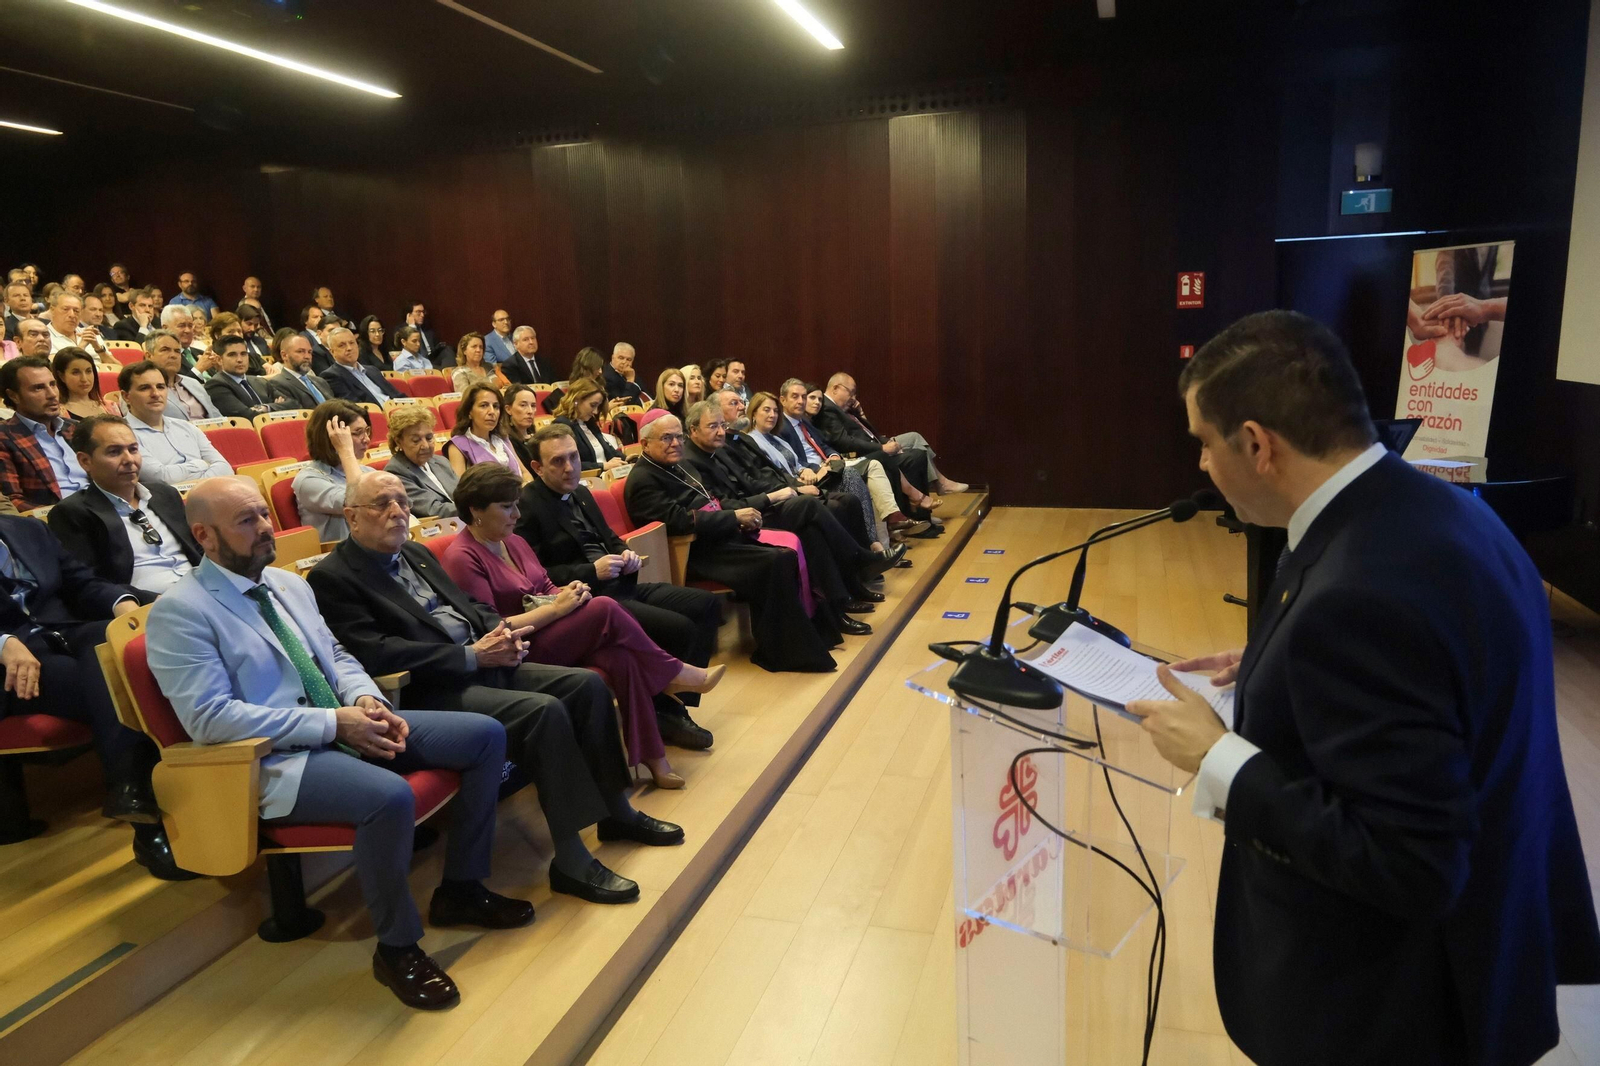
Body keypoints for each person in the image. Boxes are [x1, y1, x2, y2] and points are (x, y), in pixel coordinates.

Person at [1122, 311, 1600, 1066]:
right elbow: (1440, 676)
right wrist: (1277, 661)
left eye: (1204, 445)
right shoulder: (1438, 512)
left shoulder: (1360, 596)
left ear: (1257, 444)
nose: (1203, 468)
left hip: (1396, 1007)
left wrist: (1217, 758)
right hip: (1492, 937)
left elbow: (1409, 862)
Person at [148, 477, 529, 1009]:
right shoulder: (180, 611)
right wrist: (335, 724)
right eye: (247, 520)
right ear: (204, 536)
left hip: (343, 719)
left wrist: (368, 701)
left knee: (486, 736)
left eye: (264, 514)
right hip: (276, 758)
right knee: (388, 796)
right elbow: (211, 719)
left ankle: (461, 888)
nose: (264, 528)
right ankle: (397, 948)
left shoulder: (288, 585)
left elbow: (337, 656)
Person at [307, 470, 684, 906]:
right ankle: (571, 858)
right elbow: (377, 653)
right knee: (542, 711)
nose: (398, 512)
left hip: (483, 658)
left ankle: (616, 812)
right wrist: (472, 657)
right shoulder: (332, 577)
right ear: (351, 516)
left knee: (585, 687)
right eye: (382, 504)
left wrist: (501, 637)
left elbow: (471, 608)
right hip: (429, 688)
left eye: (402, 502)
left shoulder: (415, 552)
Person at [441, 463, 724, 786]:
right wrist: (559, 608)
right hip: (518, 652)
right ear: (475, 510)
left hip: (553, 633)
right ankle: (671, 672)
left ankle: (654, 758)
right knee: (604, 606)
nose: (517, 514)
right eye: (507, 507)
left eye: (517, 504)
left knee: (623, 657)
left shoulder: (512, 540)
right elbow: (492, 628)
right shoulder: (461, 557)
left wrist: (569, 592)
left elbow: (546, 587)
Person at [0, 503, 187, 873]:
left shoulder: (26, 529)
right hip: (10, 666)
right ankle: (148, 824)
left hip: (63, 631)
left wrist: (123, 605)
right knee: (112, 677)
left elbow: (81, 582)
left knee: (116, 642)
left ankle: (138, 791)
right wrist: (3, 642)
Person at [518, 423, 720, 750]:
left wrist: (624, 553)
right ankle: (666, 709)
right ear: (537, 468)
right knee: (678, 627)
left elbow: (609, 539)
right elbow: (536, 574)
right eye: (558, 461)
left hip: (621, 585)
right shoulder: (527, 505)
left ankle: (668, 704)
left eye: (573, 456)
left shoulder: (582, 492)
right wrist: (590, 570)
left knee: (705, 605)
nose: (570, 467)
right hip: (588, 601)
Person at [625, 412, 843, 672]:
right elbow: (680, 522)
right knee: (775, 560)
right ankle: (781, 652)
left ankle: (803, 638)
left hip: (718, 538)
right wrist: (732, 517)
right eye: (666, 438)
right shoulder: (642, 479)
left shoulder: (679, 465)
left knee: (787, 552)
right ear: (645, 443)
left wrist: (740, 513)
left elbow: (712, 501)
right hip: (695, 552)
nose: (675, 443)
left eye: (678, 437)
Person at [682, 400, 896, 626]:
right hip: (741, 521)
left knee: (815, 526)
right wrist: (773, 497)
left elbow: (750, 481)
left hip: (757, 505)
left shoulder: (719, 448)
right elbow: (722, 505)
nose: (720, 431)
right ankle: (860, 560)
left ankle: (841, 602)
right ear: (693, 430)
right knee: (809, 506)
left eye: (721, 425)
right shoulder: (692, 462)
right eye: (712, 426)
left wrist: (784, 492)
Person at [50, 415, 202, 602]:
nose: (129, 459)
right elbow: (87, 583)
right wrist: (154, 600)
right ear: (85, 461)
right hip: (148, 606)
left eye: (133, 449)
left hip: (203, 590)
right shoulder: (72, 513)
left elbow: (199, 550)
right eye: (114, 452)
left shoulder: (165, 494)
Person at [744, 388, 887, 552]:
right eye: (767, 410)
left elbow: (798, 463)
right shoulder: (752, 441)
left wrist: (806, 470)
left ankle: (870, 547)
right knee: (841, 498)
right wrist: (800, 484)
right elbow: (772, 474)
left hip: (804, 479)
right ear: (753, 413)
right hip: (788, 492)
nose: (772, 415)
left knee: (850, 499)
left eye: (776, 411)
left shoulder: (776, 437)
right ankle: (864, 553)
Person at [797, 380, 923, 539]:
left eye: (819, 399)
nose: (816, 403)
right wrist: (810, 467)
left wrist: (833, 456)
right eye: (811, 398)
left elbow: (825, 446)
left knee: (881, 465)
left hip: (832, 463)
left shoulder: (808, 423)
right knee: (877, 462)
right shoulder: (790, 425)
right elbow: (796, 457)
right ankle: (890, 528)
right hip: (818, 471)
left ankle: (892, 529)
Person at [823, 372, 967, 494]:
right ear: (836, 388)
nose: (854, 398)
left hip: (877, 442)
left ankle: (937, 487)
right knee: (918, 454)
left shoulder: (844, 408)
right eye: (851, 393)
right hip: (868, 451)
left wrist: (861, 416)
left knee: (914, 437)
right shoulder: (829, 408)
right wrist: (882, 448)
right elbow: (845, 441)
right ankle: (936, 489)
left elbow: (872, 433)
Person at [119, 361, 234, 486]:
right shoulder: (123, 435)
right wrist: (202, 464)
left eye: (161, 387)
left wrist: (193, 482)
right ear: (126, 397)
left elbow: (225, 468)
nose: (156, 394)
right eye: (145, 388)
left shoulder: (187, 427)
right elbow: (161, 478)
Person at [0, 355, 92, 510]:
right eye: (38, 388)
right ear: (13, 395)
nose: (52, 394)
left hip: (104, 512)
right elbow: (13, 502)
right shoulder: (4, 437)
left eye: (53, 384)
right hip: (54, 521)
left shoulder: (76, 428)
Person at [293, 401, 370, 542]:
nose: (367, 439)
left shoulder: (367, 471)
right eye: (358, 433)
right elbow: (359, 502)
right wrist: (345, 450)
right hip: (343, 557)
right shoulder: (308, 481)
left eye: (367, 431)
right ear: (332, 438)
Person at [385, 404, 459, 518]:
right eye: (416, 440)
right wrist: (475, 508)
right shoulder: (395, 473)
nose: (425, 446)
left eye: (429, 438)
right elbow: (434, 510)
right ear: (399, 442)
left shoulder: (441, 462)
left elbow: (464, 494)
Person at [445, 382, 529, 482]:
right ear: (469, 412)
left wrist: (526, 488)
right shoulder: (457, 445)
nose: (492, 412)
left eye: (496, 406)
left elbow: (524, 473)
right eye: (484, 405)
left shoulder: (502, 438)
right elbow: (461, 491)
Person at [205, 336, 294, 420]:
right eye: (232, 355)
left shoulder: (259, 381)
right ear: (219, 360)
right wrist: (276, 407)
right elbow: (246, 416)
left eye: (243, 354)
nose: (239, 359)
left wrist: (266, 407)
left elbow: (293, 404)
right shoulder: (215, 385)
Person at [144, 330, 224, 421]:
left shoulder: (194, 383)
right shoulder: (143, 388)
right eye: (165, 350)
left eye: (177, 351)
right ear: (149, 356)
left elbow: (218, 418)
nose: (173, 355)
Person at [552, 378, 624, 471]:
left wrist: (626, 458)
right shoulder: (561, 425)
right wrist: (603, 466)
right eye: (593, 405)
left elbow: (610, 452)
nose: (596, 411)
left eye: (598, 406)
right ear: (576, 400)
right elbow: (567, 464)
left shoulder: (589, 422)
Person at [323, 326, 404, 406]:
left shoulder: (372, 370)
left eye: (352, 343)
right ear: (332, 352)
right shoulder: (331, 376)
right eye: (342, 345)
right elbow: (354, 407)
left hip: (399, 410)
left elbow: (397, 395)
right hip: (377, 415)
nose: (349, 348)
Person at [262, 333, 336, 411]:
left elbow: (336, 406)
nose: (307, 356)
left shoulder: (320, 381)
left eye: (309, 352)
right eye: (300, 351)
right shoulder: (277, 383)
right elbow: (298, 412)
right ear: (284, 355)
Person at [539, 347, 606, 414]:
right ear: (586, 369)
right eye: (597, 368)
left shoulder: (600, 387)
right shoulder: (570, 396)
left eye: (601, 367)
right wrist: (605, 409)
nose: (600, 371)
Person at [53, 347, 106, 420]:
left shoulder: (110, 406)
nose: (84, 379)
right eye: (76, 373)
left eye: (88, 371)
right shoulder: (57, 412)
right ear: (61, 376)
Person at [502, 383, 542, 471]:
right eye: (523, 405)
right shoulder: (506, 441)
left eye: (533, 406)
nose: (530, 411)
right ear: (508, 409)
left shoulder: (536, 437)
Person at [394, 302, 445, 367]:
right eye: (418, 312)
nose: (422, 315)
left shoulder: (427, 329)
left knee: (448, 350)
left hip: (431, 360)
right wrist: (412, 327)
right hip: (415, 361)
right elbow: (411, 349)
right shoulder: (400, 330)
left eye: (423, 312)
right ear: (409, 315)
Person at [298, 304, 333, 373]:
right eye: (315, 317)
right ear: (306, 320)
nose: (320, 319)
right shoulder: (303, 337)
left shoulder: (327, 334)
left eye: (321, 317)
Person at [236, 304, 271, 372]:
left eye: (255, 325)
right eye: (249, 324)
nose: (252, 329)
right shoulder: (232, 346)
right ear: (238, 322)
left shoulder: (261, 342)